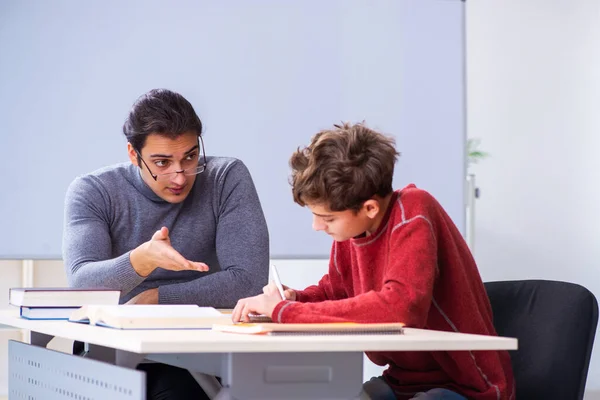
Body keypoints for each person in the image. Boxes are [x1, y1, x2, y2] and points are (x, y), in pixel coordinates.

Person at [232, 122, 514, 400]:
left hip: (466, 386)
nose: (317, 227)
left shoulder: (414, 211)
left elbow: (401, 306)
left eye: (327, 218)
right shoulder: (352, 232)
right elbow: (336, 292)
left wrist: (286, 312)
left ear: (369, 207)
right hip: (401, 382)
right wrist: (294, 300)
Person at [63, 88, 269, 399]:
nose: (180, 177)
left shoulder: (226, 178)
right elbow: (81, 285)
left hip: (200, 351)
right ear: (134, 154)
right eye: (161, 163)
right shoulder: (93, 191)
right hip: (117, 351)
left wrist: (157, 297)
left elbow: (248, 282)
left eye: (190, 156)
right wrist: (142, 260)